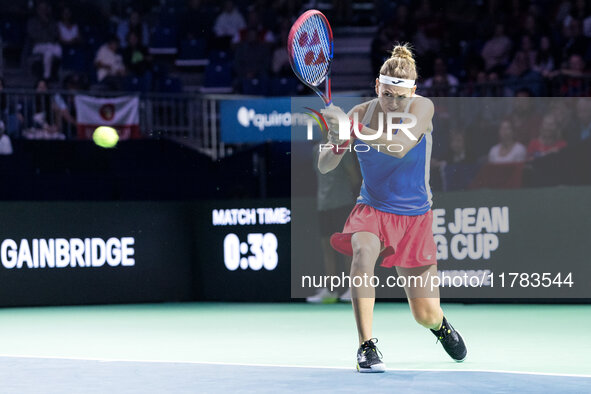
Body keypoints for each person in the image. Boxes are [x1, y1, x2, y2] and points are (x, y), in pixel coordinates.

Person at [318, 44, 467, 373]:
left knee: (424, 313)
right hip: (372, 208)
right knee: (361, 252)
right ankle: (366, 347)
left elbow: (399, 147)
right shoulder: (359, 114)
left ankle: (441, 327)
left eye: (401, 96)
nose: (394, 102)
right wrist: (337, 137)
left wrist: (354, 130)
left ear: (412, 92)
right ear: (377, 86)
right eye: (387, 94)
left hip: (415, 217)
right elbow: (326, 164)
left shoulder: (422, 108)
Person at [26, 1, 62, 80]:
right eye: (41, 9)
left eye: (45, 9)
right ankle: (47, 77)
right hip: (38, 46)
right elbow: (34, 36)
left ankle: (56, 73)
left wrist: (46, 23)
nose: (43, 11)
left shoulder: (52, 22)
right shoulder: (32, 22)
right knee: (48, 53)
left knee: (58, 49)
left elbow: (56, 35)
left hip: (51, 45)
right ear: (37, 9)